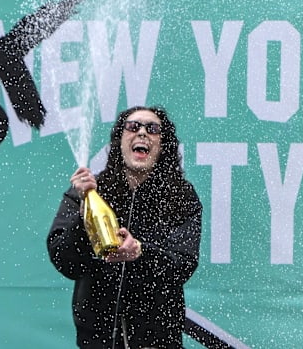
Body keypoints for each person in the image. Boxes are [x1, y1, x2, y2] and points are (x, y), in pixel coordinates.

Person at [47, 106, 203, 349]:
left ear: (163, 145)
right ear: (120, 140)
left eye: (152, 129)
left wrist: (141, 252)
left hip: (158, 341)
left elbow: (183, 264)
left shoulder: (181, 197)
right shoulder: (89, 192)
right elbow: (64, 261)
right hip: (98, 340)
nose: (142, 133)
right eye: (133, 126)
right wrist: (83, 218)